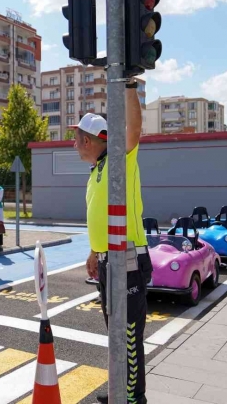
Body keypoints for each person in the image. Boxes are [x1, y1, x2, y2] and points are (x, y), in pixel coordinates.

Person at [72, 83, 151, 404]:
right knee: (116, 333)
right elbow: (102, 216)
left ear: (89, 140)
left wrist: (130, 84)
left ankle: (133, 399)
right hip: (108, 260)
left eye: (76, 137)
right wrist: (95, 251)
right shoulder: (97, 171)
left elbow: (134, 129)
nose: (73, 143)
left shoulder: (119, 160)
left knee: (129, 336)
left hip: (128, 260)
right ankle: (122, 389)